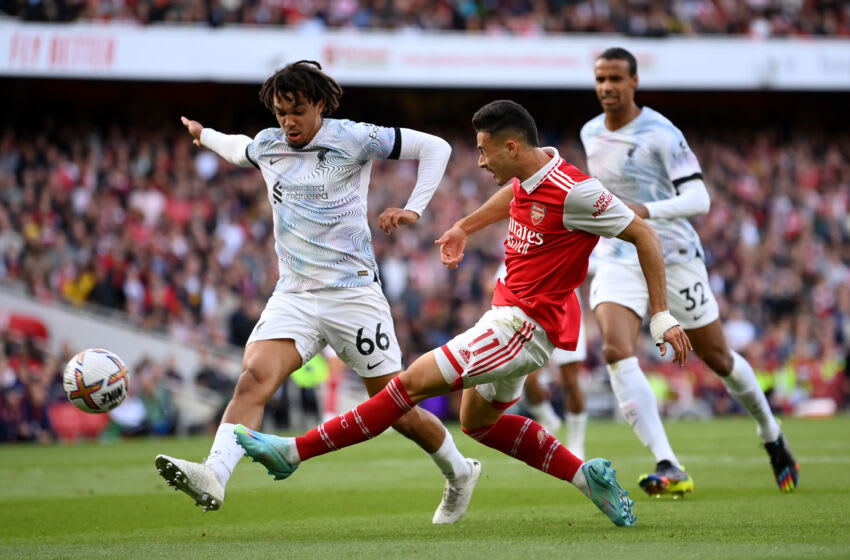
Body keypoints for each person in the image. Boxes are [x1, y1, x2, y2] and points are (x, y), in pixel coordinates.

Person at [232, 99, 693, 527]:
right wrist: (463, 227)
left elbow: (645, 236)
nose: (479, 161)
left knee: (407, 385)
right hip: (512, 317)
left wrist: (660, 316)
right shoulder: (533, 175)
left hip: (523, 327)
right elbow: (515, 195)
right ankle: (584, 477)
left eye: (484, 151)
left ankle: (294, 452)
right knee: (477, 424)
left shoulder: (577, 192)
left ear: (511, 146)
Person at [155, 60, 481, 524]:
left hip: (353, 296)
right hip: (295, 296)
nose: (288, 121)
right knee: (253, 378)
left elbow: (437, 147)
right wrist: (202, 133)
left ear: (320, 106)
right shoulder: (269, 145)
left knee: (396, 410)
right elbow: (235, 148)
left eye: (297, 111)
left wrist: (414, 209)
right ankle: (214, 474)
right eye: (280, 111)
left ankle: (459, 472)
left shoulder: (354, 137)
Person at [581, 47, 799, 496]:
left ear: (634, 82)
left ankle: (770, 432)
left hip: (673, 255)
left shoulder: (661, 133)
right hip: (619, 257)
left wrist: (647, 210)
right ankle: (669, 463)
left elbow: (700, 200)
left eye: (616, 79)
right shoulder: (589, 134)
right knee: (615, 348)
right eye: (601, 79)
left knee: (717, 357)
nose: (607, 87)